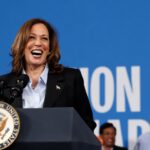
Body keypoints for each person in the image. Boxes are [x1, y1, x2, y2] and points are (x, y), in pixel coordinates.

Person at [0, 18, 96, 131]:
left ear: (50, 48)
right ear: (22, 45)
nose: (38, 43)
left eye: (44, 39)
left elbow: (87, 125)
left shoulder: (71, 79)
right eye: (32, 37)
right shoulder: (3, 84)